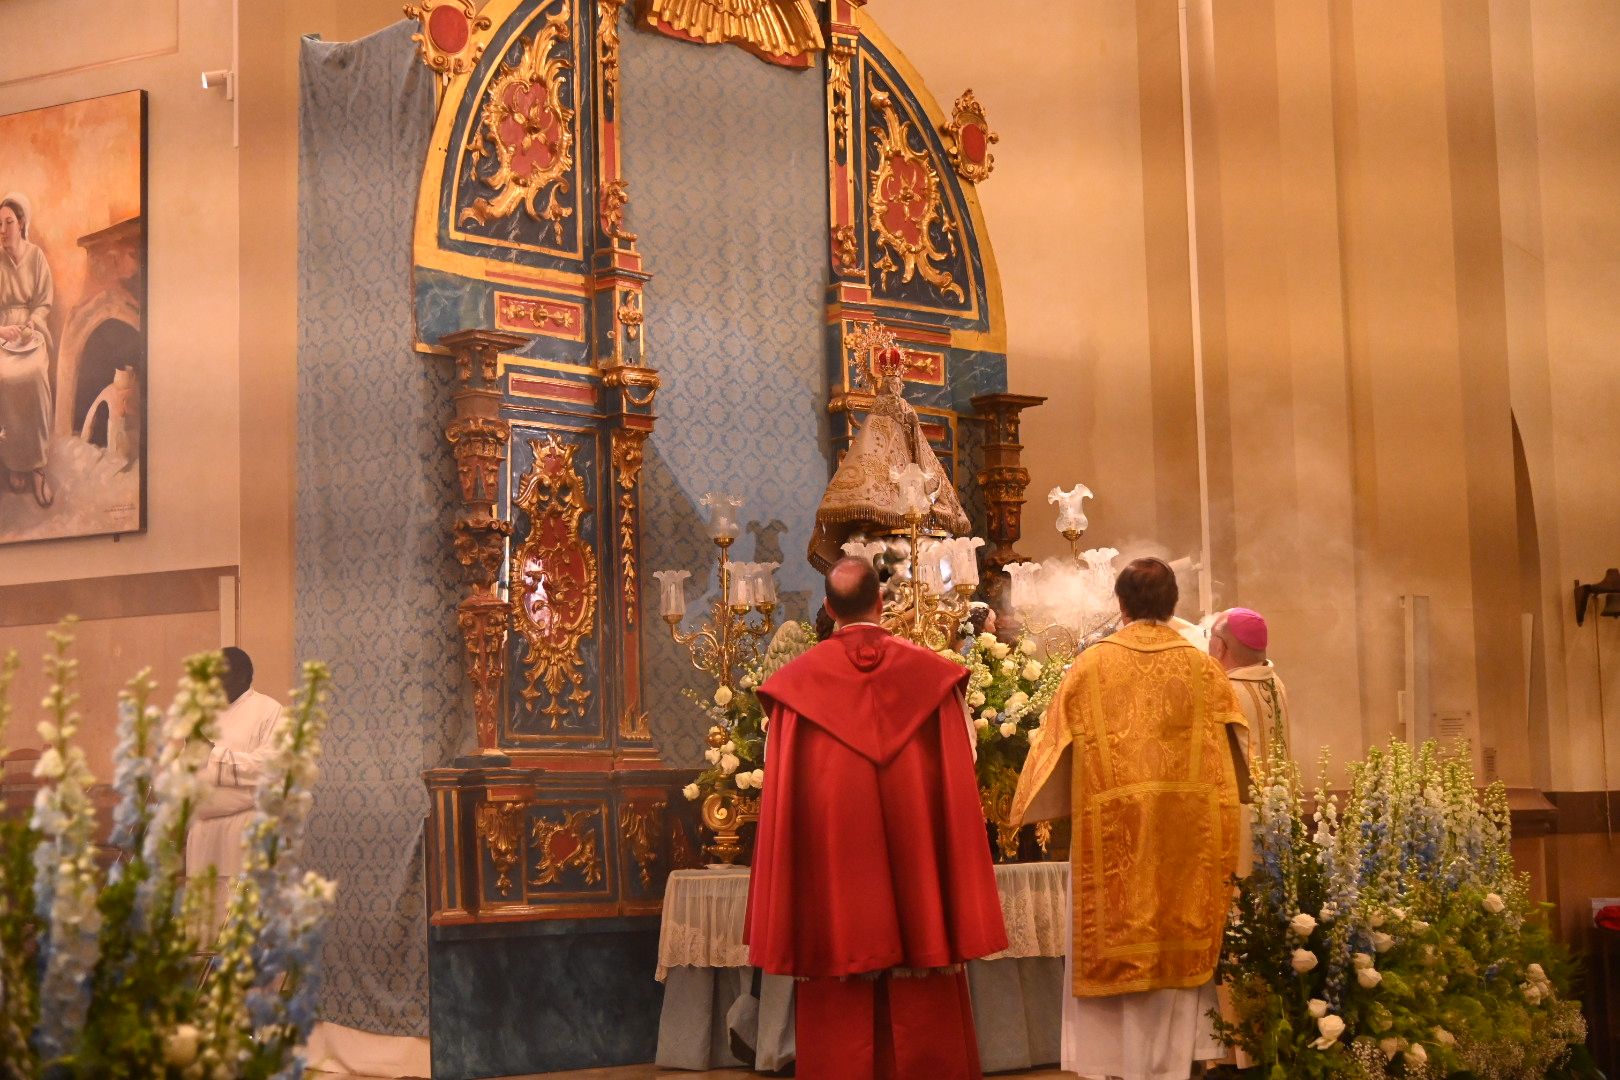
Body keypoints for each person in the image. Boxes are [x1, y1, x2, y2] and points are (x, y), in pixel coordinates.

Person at [745, 557, 1006, 1080]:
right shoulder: (935, 679)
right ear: (881, 604)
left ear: (827, 608)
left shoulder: (795, 690)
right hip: (917, 870)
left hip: (838, 877)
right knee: (924, 970)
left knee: (838, 969)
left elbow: (780, 785)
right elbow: (964, 764)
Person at [1010, 557, 1246, 1080]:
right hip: (1186, 836)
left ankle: (1118, 1068)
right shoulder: (1204, 667)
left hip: (1113, 837)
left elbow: (1051, 748)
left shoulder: (1091, 666)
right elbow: (1238, 750)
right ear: (1174, 604)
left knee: (1120, 936)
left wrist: (1023, 811)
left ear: (1120, 605)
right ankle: (1174, 1066)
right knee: (1174, 944)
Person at [185, 646, 284, 943]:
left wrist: (213, 755)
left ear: (243, 675)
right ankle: (204, 989)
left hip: (243, 834)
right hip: (203, 839)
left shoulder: (271, 711)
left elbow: (268, 768)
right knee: (201, 930)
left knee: (242, 930)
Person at [0, 193, 55, 507]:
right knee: (5, 378)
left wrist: (33, 324)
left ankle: (37, 468)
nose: (3, 229)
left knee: (34, 375)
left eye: (9, 222)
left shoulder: (37, 257)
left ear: (21, 224)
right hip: (3, 334)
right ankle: (15, 463)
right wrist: (2, 330)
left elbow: (44, 302)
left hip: (31, 333)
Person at [1209, 607, 1291, 767]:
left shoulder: (1225, 694)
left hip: (1244, 792)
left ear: (1220, 648)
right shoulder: (1275, 681)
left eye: (1209, 636)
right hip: (1280, 790)